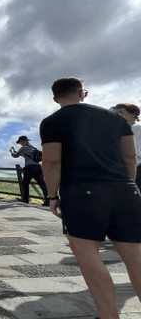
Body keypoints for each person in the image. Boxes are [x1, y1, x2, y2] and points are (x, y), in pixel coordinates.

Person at [40, 77, 141, 319]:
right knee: (136, 258)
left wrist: (52, 195)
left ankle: (108, 315)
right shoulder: (116, 118)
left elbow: (52, 161)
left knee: (88, 255)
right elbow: (130, 157)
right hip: (126, 190)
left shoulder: (53, 121)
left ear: (55, 99)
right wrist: (125, 185)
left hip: (82, 193)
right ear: (82, 93)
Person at [10, 135, 50, 205]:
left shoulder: (23, 148)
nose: (20, 144)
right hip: (38, 167)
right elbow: (28, 156)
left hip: (29, 168)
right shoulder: (32, 147)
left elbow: (15, 156)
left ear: (22, 141)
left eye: (20, 142)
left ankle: (25, 199)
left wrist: (12, 151)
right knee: (42, 184)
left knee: (25, 183)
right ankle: (48, 200)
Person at [113, 103, 141, 189]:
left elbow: (136, 151)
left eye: (121, 113)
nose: (117, 116)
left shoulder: (135, 128)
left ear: (133, 114)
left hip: (137, 168)